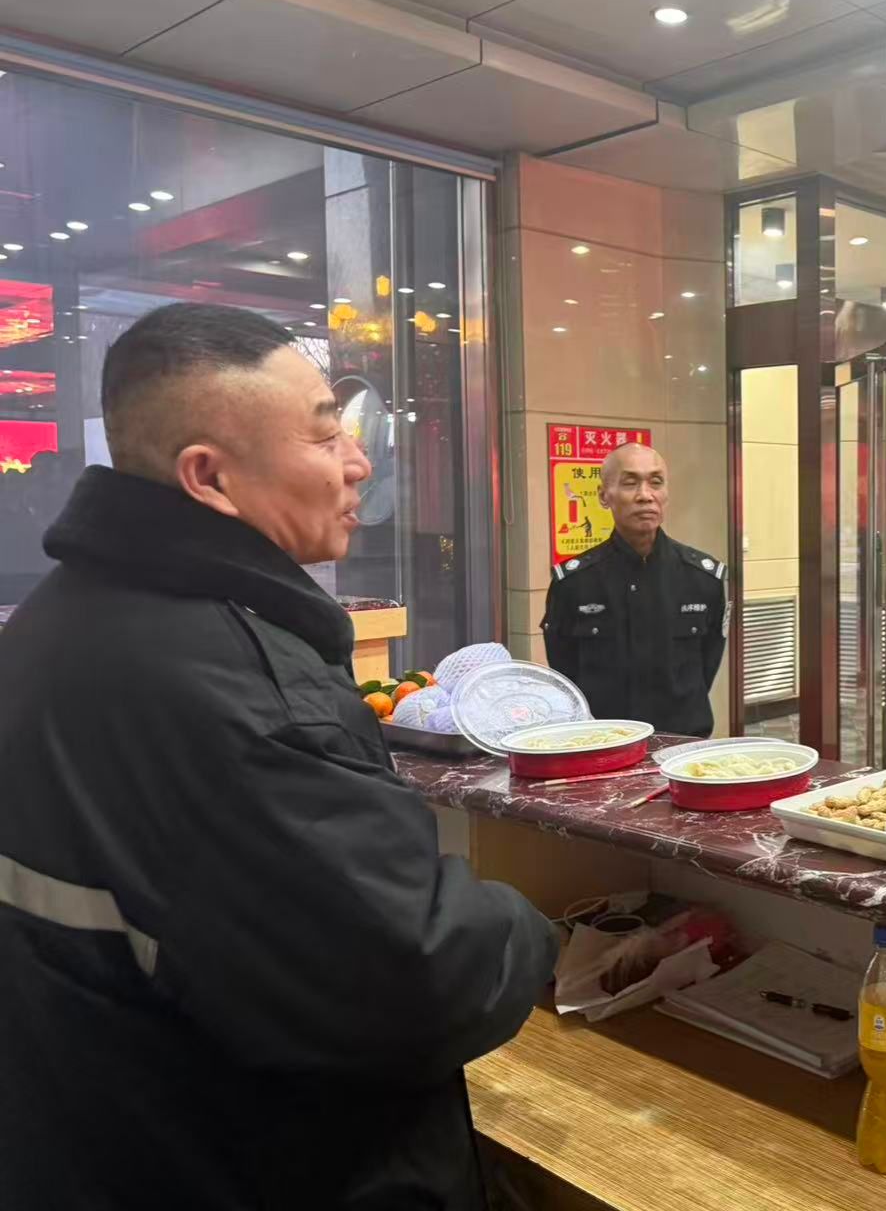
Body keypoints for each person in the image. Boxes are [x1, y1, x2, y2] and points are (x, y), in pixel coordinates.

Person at [0, 304, 558, 1208]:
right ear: (208, 476)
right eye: (326, 434)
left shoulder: (52, 625)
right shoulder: (236, 696)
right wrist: (535, 926)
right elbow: (415, 980)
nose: (358, 462)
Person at [542, 442, 726, 737]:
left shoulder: (703, 578)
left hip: (681, 741)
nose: (645, 495)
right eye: (630, 483)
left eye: (656, 482)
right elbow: (565, 668)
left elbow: (707, 663)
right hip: (602, 742)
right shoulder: (574, 583)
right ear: (604, 495)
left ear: (666, 494)